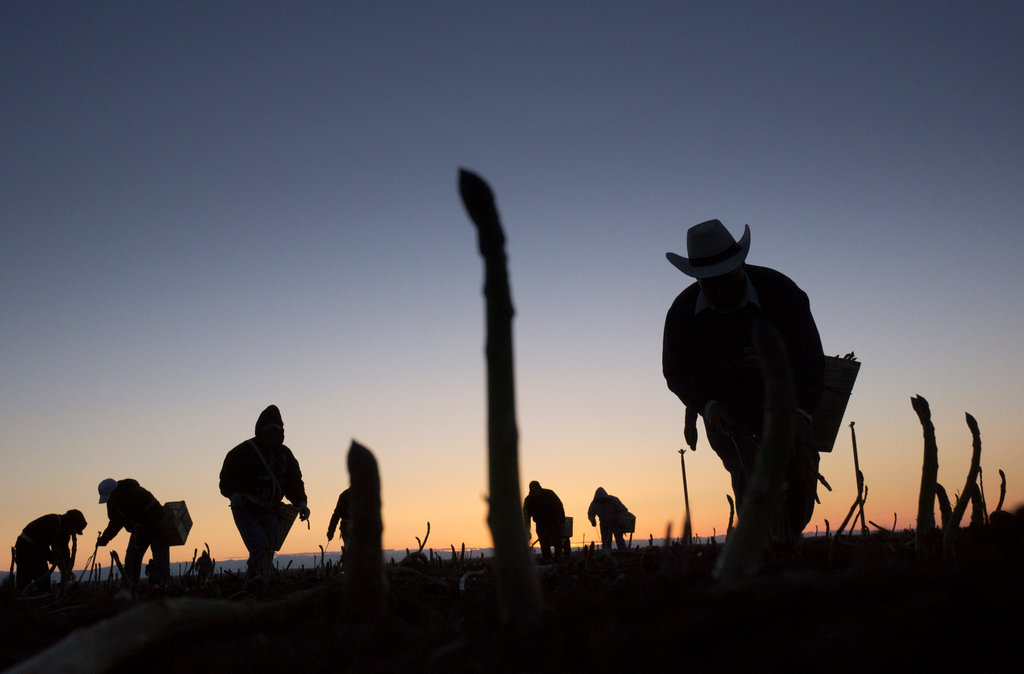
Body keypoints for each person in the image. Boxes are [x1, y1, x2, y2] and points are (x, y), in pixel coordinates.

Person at [662, 219, 825, 541]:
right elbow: (676, 370)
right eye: (711, 283)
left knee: (797, 474)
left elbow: (809, 357)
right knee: (747, 474)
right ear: (697, 279)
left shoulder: (782, 293)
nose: (721, 290)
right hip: (727, 409)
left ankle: (787, 538)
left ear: (742, 266)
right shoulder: (682, 312)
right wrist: (708, 405)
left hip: (784, 398)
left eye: (727, 279)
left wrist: (802, 413)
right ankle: (760, 545)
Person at [219, 404, 310, 577]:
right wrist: (237, 496)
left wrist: (302, 502)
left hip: (271, 511)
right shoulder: (242, 452)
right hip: (247, 509)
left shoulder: (286, 455)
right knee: (260, 547)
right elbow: (226, 483)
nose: (276, 433)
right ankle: (266, 583)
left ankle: (258, 583)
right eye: (272, 429)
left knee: (268, 550)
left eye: (279, 430)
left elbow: (294, 482)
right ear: (261, 430)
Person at [97, 478, 170, 586]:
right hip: (138, 531)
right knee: (131, 560)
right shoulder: (113, 504)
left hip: (157, 529)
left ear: (115, 491)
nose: (109, 500)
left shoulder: (138, 494)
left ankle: (162, 587)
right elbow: (115, 523)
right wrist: (104, 538)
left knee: (160, 560)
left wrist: (146, 528)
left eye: (110, 496)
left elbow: (158, 512)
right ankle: (130, 588)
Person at [14, 509, 87, 592]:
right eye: (74, 529)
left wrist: (67, 570)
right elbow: (41, 544)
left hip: (36, 551)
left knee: (43, 581)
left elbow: (64, 551)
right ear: (71, 523)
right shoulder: (53, 521)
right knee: (27, 579)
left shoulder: (63, 531)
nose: (73, 533)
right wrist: (52, 557)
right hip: (25, 548)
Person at [523, 480, 566, 563]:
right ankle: (547, 560)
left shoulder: (549, 494)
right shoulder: (528, 500)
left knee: (557, 541)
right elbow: (526, 517)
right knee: (544, 543)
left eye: (536, 489)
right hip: (541, 524)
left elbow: (559, 506)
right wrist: (527, 530)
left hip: (554, 522)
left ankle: (558, 559)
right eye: (533, 489)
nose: (535, 491)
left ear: (539, 488)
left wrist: (561, 519)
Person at [587, 487, 631, 552]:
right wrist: (592, 520)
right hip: (604, 524)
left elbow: (624, 510)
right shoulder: (594, 504)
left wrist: (621, 521)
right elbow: (590, 513)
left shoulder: (614, 500)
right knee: (605, 542)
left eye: (602, 499)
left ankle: (623, 553)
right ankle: (606, 554)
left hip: (616, 523)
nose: (601, 501)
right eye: (599, 500)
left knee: (619, 540)